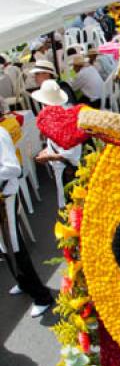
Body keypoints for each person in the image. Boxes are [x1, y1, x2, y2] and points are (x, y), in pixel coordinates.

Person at [0, 115, 54, 317]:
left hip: (5, 197)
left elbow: (13, 168)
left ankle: (42, 296)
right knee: (5, 246)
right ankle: (23, 282)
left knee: (13, 245)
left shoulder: (0, 134)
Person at [32, 80, 82, 210]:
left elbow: (72, 154)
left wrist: (49, 157)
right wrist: (47, 150)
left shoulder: (65, 120)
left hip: (68, 172)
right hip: (62, 171)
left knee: (73, 207)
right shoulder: (54, 116)